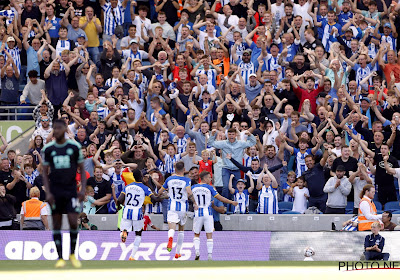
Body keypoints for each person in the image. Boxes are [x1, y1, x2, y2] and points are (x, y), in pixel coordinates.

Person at [42, 119, 87, 268]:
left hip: (71, 191)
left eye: (59, 128)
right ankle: (60, 257)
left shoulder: (74, 147)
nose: (56, 130)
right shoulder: (48, 149)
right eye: (54, 128)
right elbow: (44, 172)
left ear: (65, 129)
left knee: (74, 222)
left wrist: (82, 189)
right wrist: (48, 192)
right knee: (57, 223)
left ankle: (72, 254)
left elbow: (82, 168)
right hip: (55, 191)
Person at [192, 171, 238, 260]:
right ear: (205, 178)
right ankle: (209, 255)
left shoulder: (193, 187)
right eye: (209, 177)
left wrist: (194, 203)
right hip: (208, 213)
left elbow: (188, 196)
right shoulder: (209, 188)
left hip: (198, 213)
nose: (210, 179)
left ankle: (197, 251)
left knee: (196, 234)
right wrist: (231, 202)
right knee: (209, 235)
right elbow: (219, 197)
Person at [117, 169, 162, 260]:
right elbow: (155, 199)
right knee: (138, 234)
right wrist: (164, 196)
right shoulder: (144, 188)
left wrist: (118, 207)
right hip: (137, 212)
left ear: (133, 177)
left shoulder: (128, 187)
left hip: (127, 211)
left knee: (124, 229)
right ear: (141, 176)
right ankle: (132, 256)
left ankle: (124, 232)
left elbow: (119, 200)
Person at [158, 161, 198, 258]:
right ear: (184, 170)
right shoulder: (186, 180)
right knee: (181, 229)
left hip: (172, 205)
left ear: (175, 169)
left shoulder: (169, 179)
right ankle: (178, 252)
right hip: (183, 207)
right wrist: (194, 202)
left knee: (172, 227)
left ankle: (170, 238)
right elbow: (189, 192)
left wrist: (166, 195)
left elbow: (160, 192)